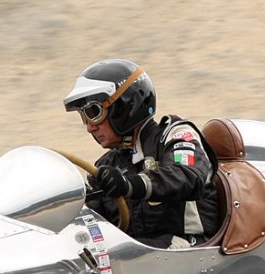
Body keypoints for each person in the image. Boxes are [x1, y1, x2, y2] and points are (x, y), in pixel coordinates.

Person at [63, 58, 221, 248]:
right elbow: (92, 218)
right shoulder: (106, 166)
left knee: (128, 258)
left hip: (187, 249)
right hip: (139, 253)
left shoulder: (176, 135)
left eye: (93, 112)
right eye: (84, 117)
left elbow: (186, 176)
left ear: (125, 105)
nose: (89, 127)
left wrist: (129, 184)